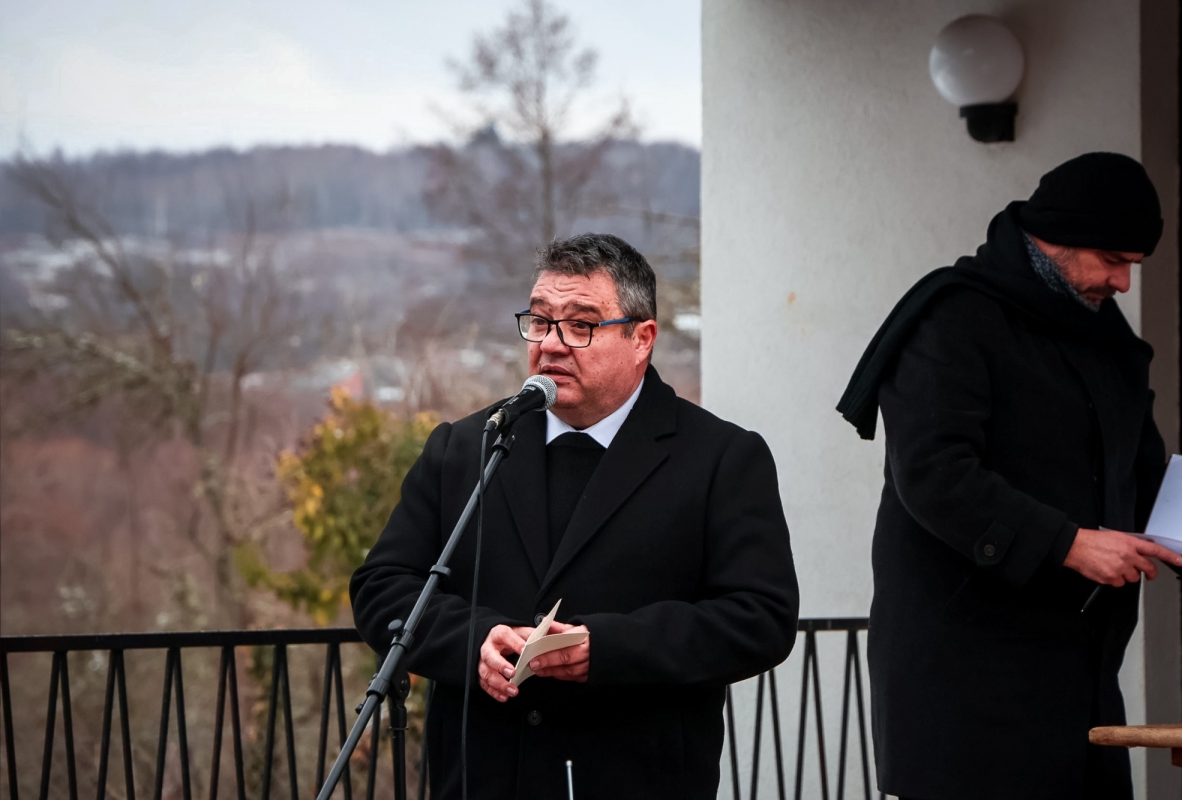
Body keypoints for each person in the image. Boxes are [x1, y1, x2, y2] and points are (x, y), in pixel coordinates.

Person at [351, 233, 799, 800]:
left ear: (642, 339)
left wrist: (606, 649)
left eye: (581, 325)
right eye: (540, 321)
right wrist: (475, 640)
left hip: (635, 777)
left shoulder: (721, 458)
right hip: (484, 777)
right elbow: (383, 586)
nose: (551, 344)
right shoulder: (467, 447)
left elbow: (760, 618)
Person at [838, 151, 1182, 800]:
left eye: (1133, 266)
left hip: (1080, 683)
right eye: (1112, 260)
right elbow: (934, 474)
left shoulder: (1104, 337)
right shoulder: (953, 316)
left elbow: (1140, 470)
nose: (1123, 283)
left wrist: (1178, 529)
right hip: (966, 688)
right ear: (1057, 237)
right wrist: (1071, 544)